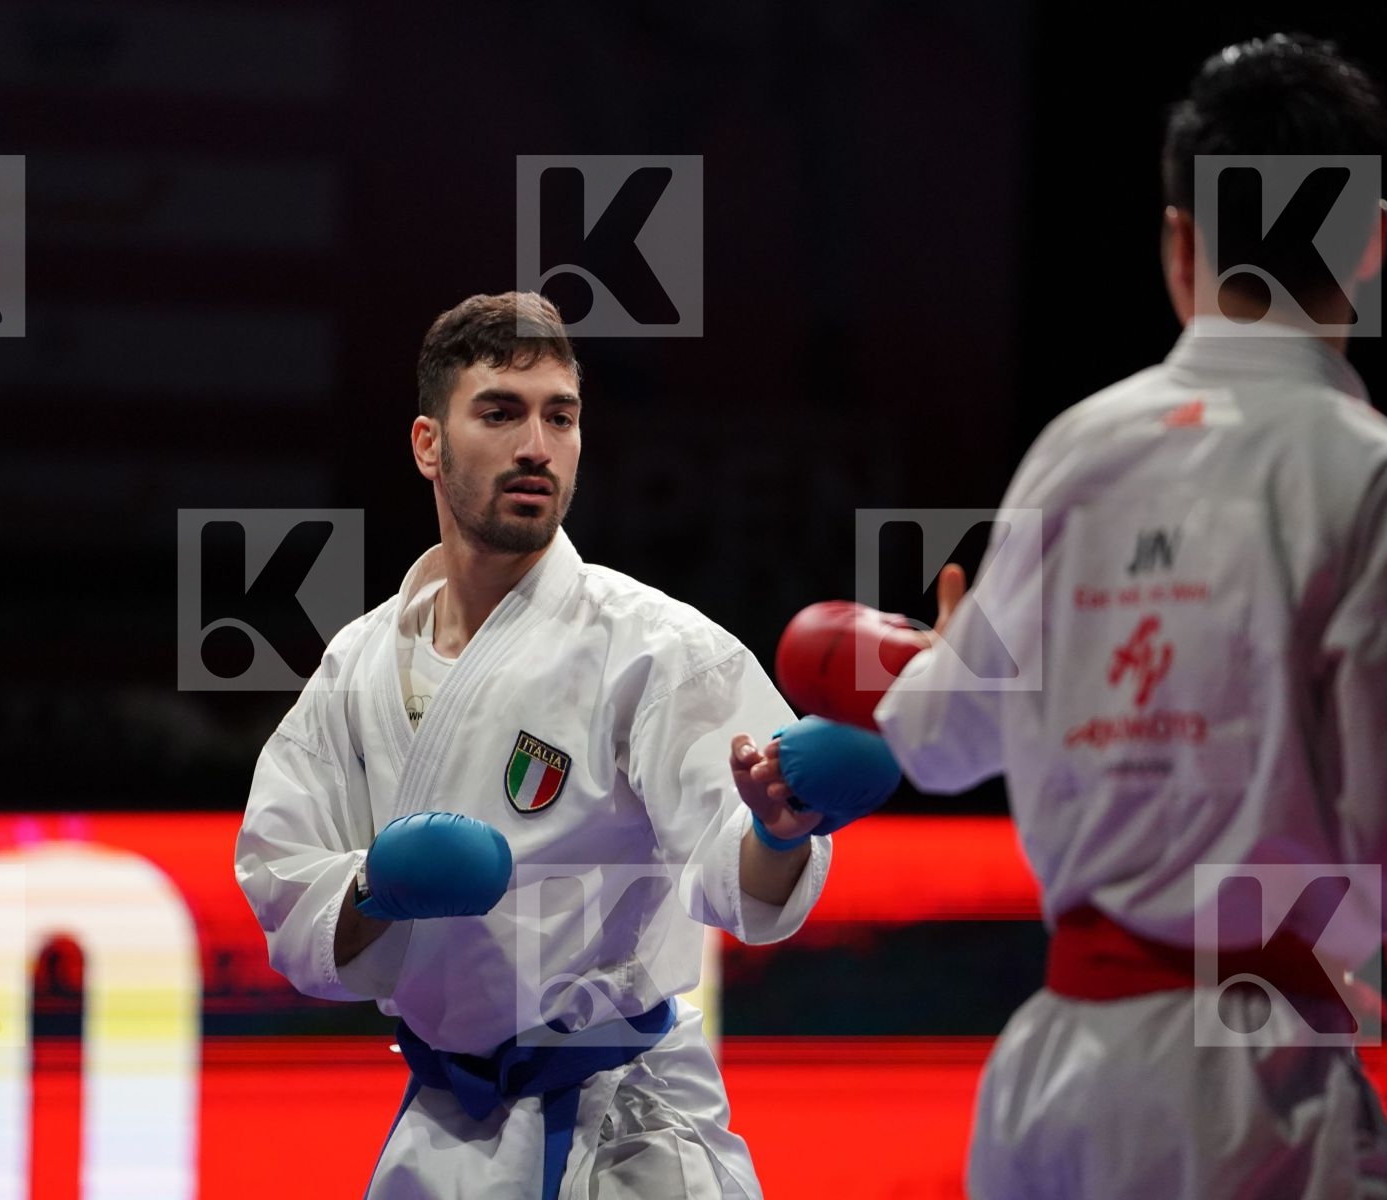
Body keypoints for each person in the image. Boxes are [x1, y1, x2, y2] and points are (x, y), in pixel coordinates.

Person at [778, 33, 1387, 1200]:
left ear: (1179, 241)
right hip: (1260, 1094)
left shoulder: (1078, 450)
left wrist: (927, 662)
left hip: (1053, 1089)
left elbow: (945, 742)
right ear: (1370, 244)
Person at [234, 292, 894, 1199]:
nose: (537, 446)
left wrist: (780, 829)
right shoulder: (359, 663)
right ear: (428, 443)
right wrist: (374, 890)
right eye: (500, 412)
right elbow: (282, 878)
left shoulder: (656, 647)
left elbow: (735, 873)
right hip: (443, 1125)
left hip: (626, 1132)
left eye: (561, 416)